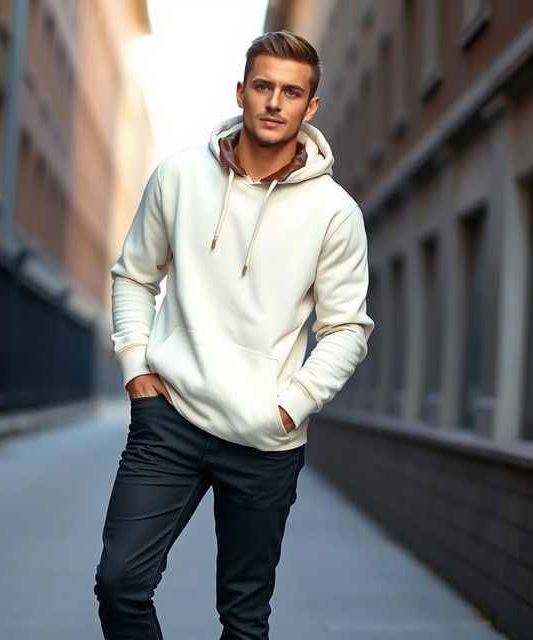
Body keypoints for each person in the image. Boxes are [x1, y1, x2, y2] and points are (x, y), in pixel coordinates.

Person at [93, 30, 375, 639]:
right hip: (169, 419)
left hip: (265, 442)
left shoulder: (334, 212)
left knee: (244, 619)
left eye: (292, 92)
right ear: (242, 92)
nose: (276, 102)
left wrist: (290, 406)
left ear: (310, 107)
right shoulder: (178, 178)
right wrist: (137, 367)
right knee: (120, 583)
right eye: (264, 86)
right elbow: (133, 277)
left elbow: (347, 327)